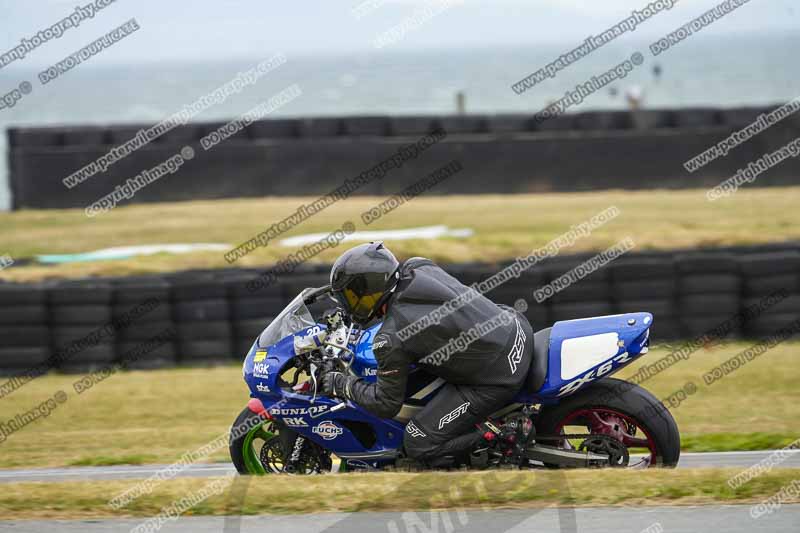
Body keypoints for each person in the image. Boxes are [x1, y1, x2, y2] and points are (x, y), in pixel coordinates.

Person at [320, 242, 533, 467]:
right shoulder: (418, 266)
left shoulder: (390, 338)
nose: (350, 304)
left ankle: (504, 436)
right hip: (515, 327)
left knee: (418, 441)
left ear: (371, 290)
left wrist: (342, 384)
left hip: (499, 375)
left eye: (352, 297)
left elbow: (385, 404)